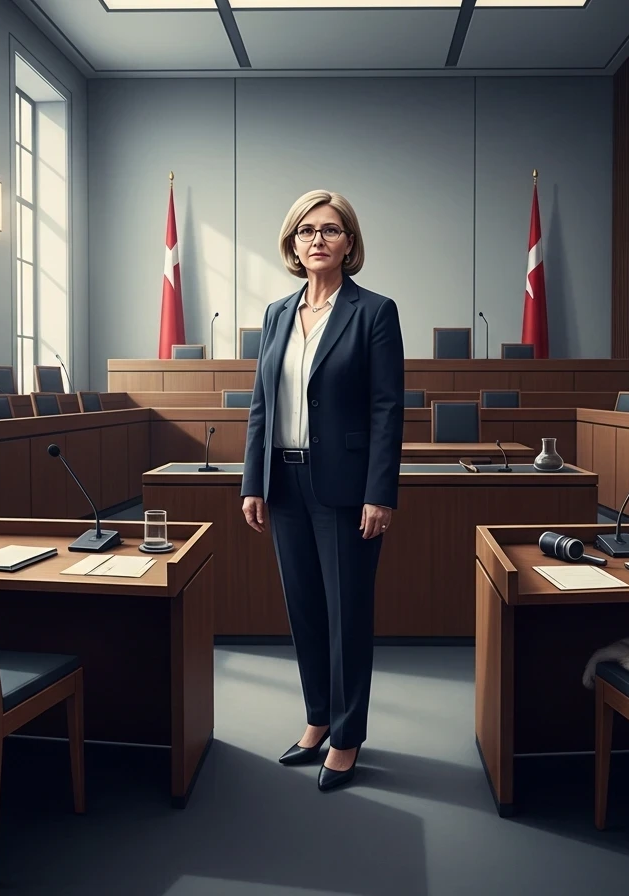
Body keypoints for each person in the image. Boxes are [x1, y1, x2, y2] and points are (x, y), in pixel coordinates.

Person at [239, 189, 404, 791]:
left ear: (349, 243)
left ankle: (348, 734)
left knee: (347, 615)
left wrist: (380, 492)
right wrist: (252, 480)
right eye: (306, 231)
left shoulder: (374, 312)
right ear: (292, 244)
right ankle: (315, 719)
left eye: (330, 230)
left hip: (345, 486)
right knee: (304, 609)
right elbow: (263, 403)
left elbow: (388, 409)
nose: (317, 240)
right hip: (283, 482)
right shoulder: (277, 313)